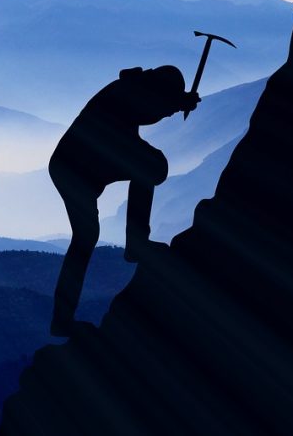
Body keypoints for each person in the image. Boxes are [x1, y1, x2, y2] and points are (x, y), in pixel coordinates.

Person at [49, 65, 200, 337]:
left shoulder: (130, 89)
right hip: (76, 167)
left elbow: (147, 110)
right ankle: (135, 244)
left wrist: (176, 103)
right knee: (86, 238)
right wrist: (177, 104)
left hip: (80, 164)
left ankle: (135, 244)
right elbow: (147, 110)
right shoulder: (128, 94)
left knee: (149, 167)